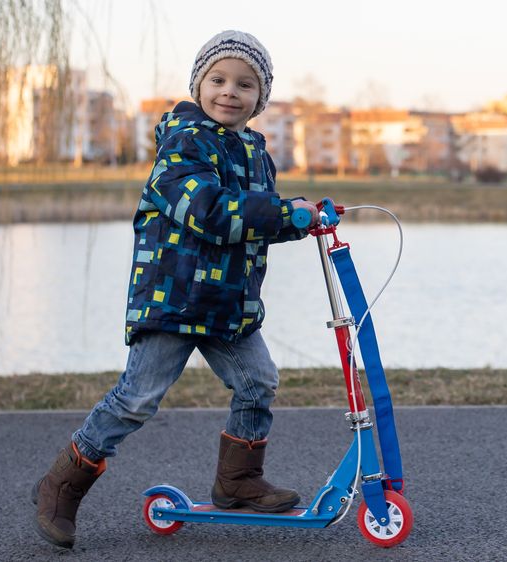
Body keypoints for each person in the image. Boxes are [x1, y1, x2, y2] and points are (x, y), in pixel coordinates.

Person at [31, 30, 319, 549]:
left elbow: (254, 220)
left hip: (229, 303)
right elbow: (208, 211)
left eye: (246, 85)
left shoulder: (256, 152)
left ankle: (238, 481)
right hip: (174, 299)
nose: (230, 92)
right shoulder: (182, 143)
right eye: (218, 79)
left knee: (259, 382)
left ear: (260, 98)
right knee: (137, 399)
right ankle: (63, 483)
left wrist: (302, 217)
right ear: (198, 84)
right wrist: (279, 211)